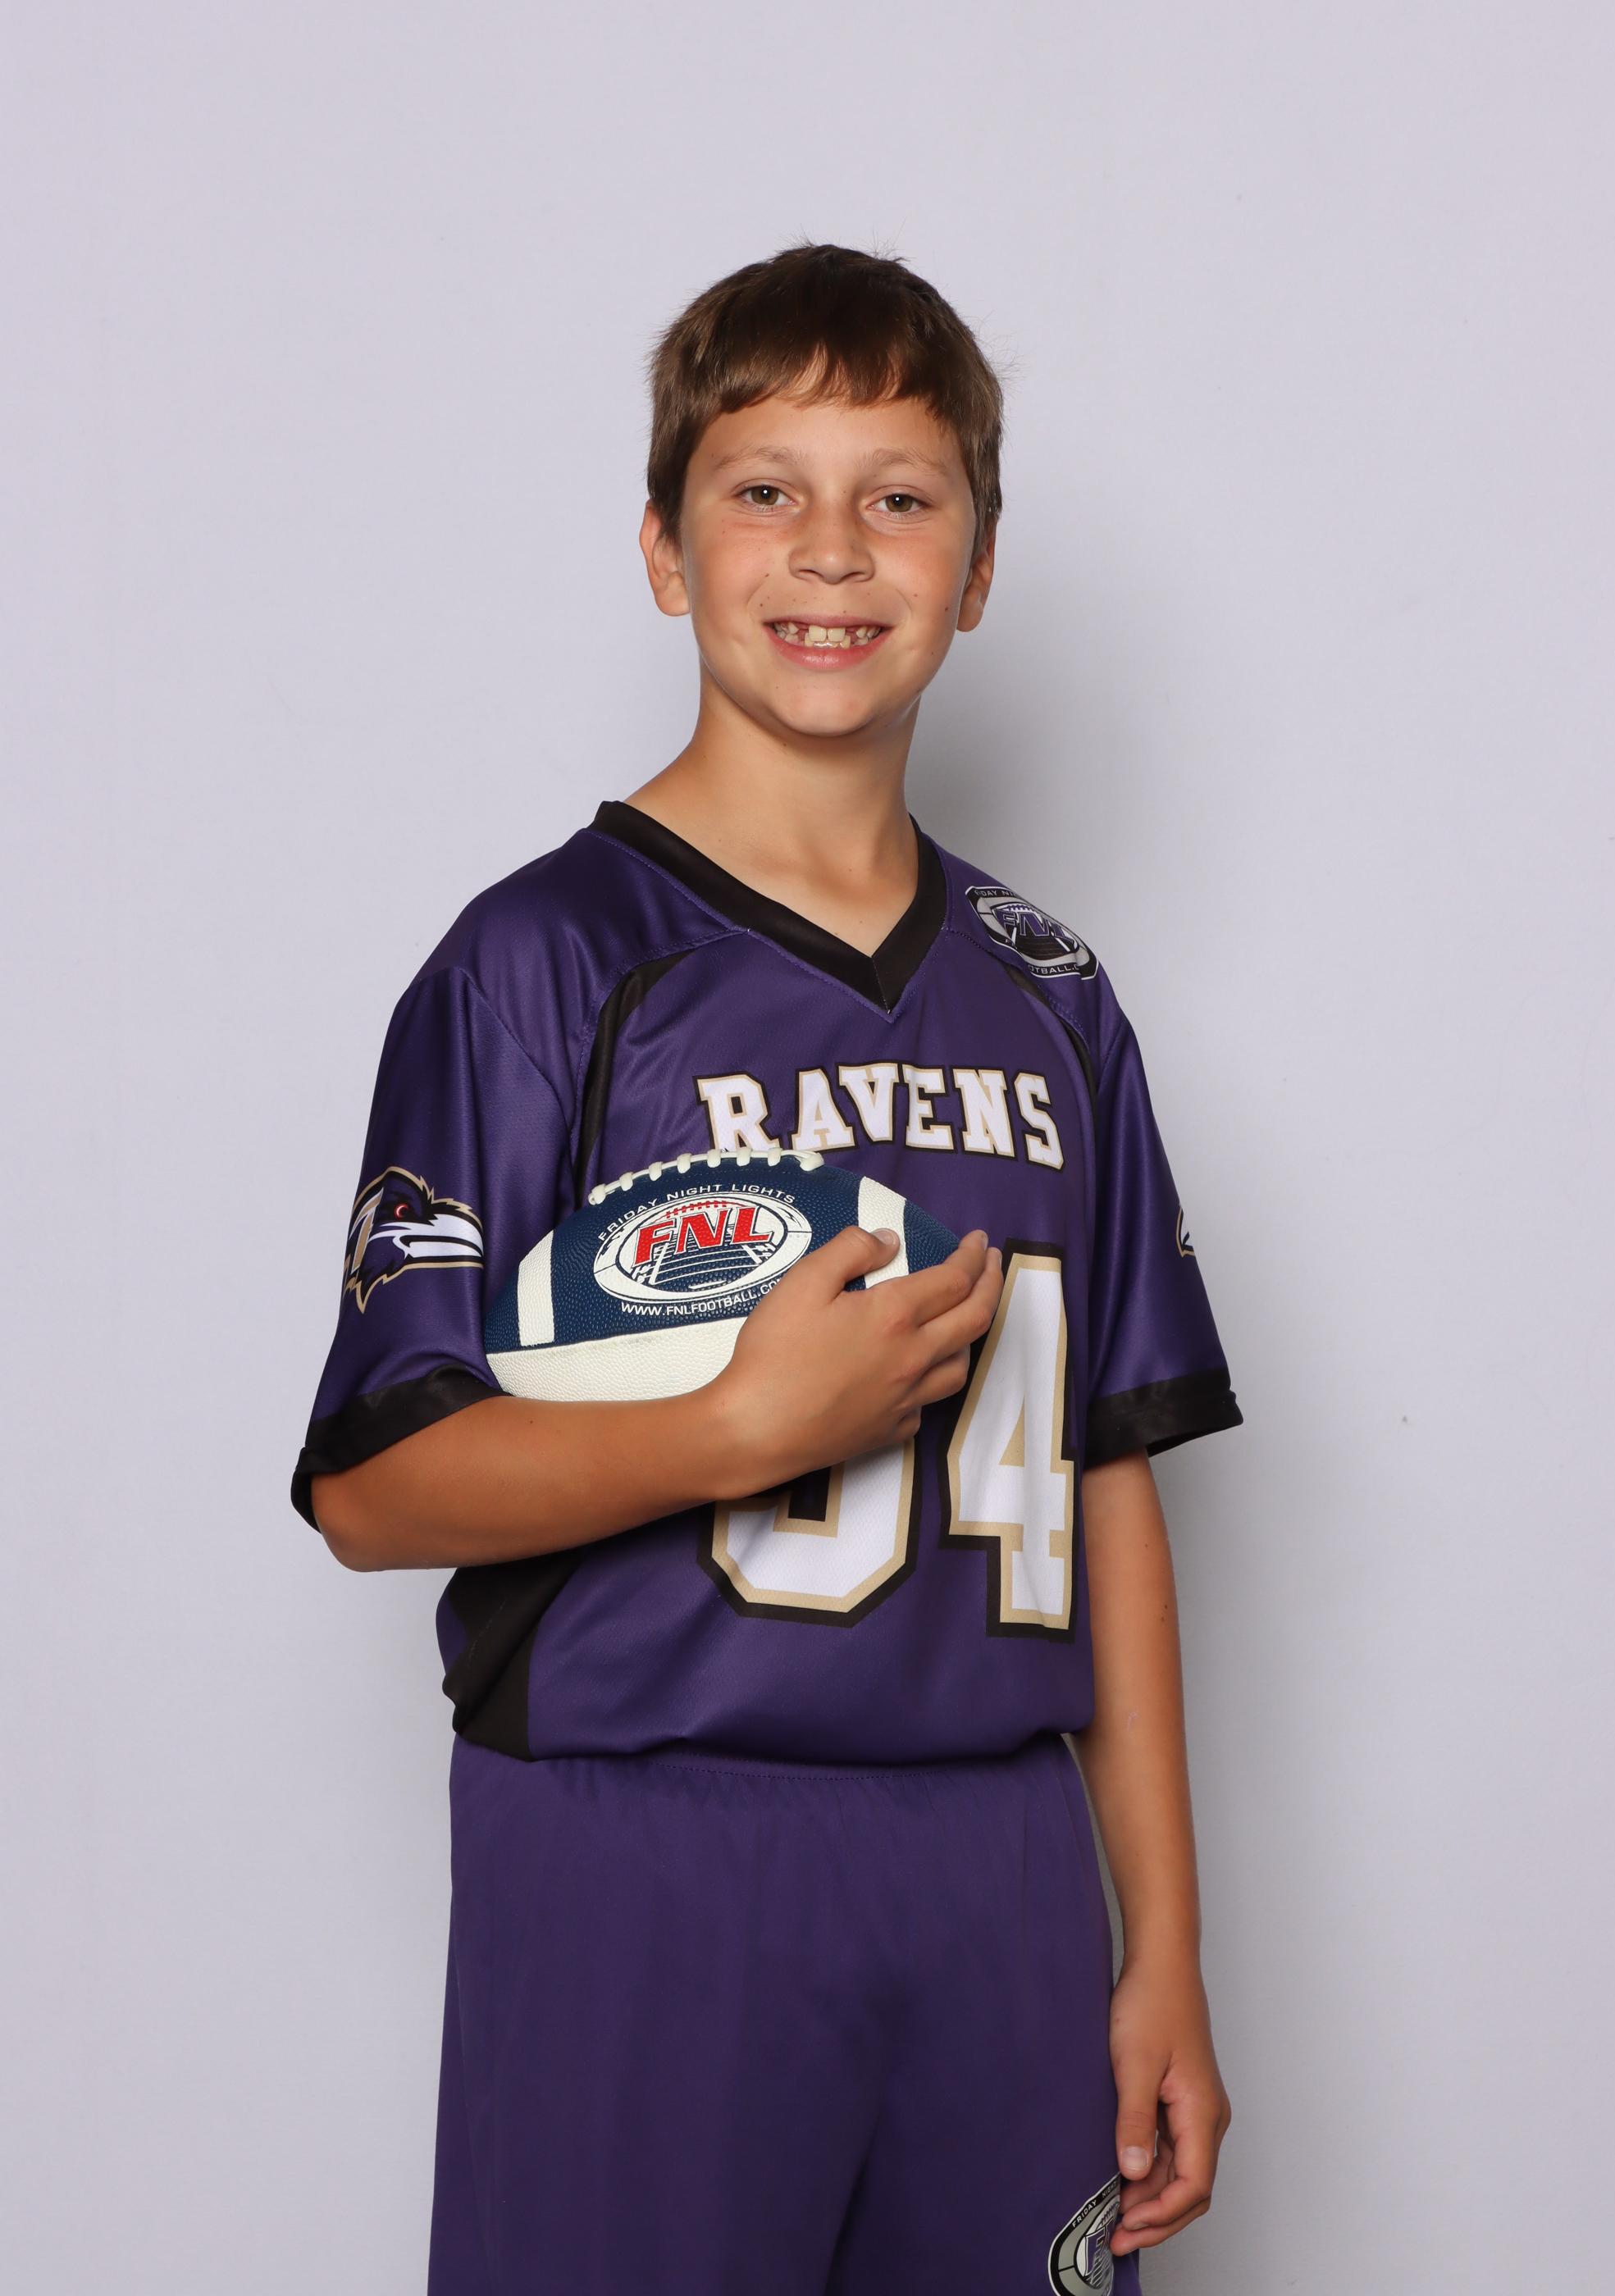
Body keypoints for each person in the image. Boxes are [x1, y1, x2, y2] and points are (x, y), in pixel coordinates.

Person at [295, 243, 1241, 2296]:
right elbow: (371, 1483)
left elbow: (1105, 1470)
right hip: (645, 1837)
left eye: (898, 495)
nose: (831, 548)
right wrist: (738, 1424)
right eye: (762, 489)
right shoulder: (541, 964)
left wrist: (1160, 1936)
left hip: (997, 1857)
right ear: (664, 548)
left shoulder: (1052, 992)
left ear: (974, 570)